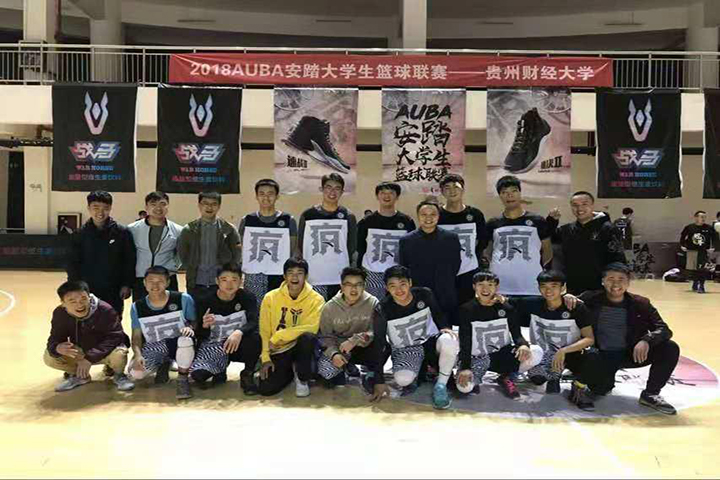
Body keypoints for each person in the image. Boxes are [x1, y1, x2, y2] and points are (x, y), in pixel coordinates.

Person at [578, 262, 680, 415]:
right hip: (600, 356)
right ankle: (585, 383)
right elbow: (564, 309)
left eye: (621, 279)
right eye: (611, 279)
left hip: (630, 354)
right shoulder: (589, 299)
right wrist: (568, 298)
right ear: (603, 281)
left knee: (670, 348)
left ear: (628, 282)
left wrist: (647, 339)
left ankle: (650, 394)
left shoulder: (640, 303)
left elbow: (664, 329)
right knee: (601, 390)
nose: (616, 284)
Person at [370, 266, 459, 410]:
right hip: (406, 349)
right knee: (402, 380)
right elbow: (379, 343)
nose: (399, 290)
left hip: (429, 341)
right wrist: (378, 380)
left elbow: (438, 314)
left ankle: (441, 385)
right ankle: (422, 370)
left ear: (410, 283)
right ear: (386, 288)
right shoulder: (382, 309)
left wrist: (445, 327)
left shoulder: (424, 294)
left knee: (449, 339)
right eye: (393, 286)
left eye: (403, 284)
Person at [512, 270, 602, 411]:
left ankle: (578, 387)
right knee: (537, 379)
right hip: (545, 353)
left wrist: (564, 351)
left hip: (571, 352)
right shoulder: (532, 303)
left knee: (593, 356)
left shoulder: (576, 307)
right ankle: (553, 375)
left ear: (563, 287)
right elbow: (505, 302)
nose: (548, 291)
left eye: (554, 286)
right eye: (544, 286)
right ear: (538, 288)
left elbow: (589, 338)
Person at [456, 271, 543, 399]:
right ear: (474, 286)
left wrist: (523, 345)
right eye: (481, 284)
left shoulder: (506, 308)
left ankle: (507, 376)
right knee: (464, 388)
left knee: (536, 352)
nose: (485, 289)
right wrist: (465, 367)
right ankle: (473, 376)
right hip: (478, 358)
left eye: (490, 285)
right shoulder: (467, 309)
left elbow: (517, 335)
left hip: (502, 355)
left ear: (496, 287)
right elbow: (465, 341)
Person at [44, 280, 134, 392]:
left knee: (120, 353)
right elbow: (55, 337)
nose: (79, 304)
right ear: (63, 303)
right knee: (50, 357)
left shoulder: (105, 309)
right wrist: (57, 347)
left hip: (105, 351)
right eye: (72, 301)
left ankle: (119, 375)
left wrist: (89, 358)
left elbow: (115, 337)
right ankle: (79, 376)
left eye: (83, 299)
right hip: (81, 351)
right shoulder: (60, 313)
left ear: (89, 297)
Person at [257, 257, 325, 397]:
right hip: (279, 349)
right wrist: (265, 358)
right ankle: (289, 371)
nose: (295, 277)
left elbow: (312, 327)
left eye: (299, 273)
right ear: (284, 276)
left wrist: (279, 336)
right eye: (290, 273)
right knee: (266, 389)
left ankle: (302, 379)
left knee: (307, 337)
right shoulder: (270, 297)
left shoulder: (317, 299)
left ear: (306, 276)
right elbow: (264, 330)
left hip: (301, 347)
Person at [190, 263, 261, 395]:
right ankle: (220, 369)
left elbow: (253, 322)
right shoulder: (204, 300)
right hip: (214, 345)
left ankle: (247, 374)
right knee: (198, 376)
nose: (229, 284)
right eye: (224, 280)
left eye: (234, 280)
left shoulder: (247, 297)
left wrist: (239, 332)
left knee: (255, 338)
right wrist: (204, 326)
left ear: (241, 281)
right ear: (217, 281)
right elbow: (199, 334)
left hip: (237, 344)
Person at [128, 266, 197, 400]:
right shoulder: (137, 306)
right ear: (144, 283)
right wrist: (137, 355)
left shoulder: (183, 299)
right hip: (155, 345)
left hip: (178, 343)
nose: (155, 285)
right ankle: (164, 363)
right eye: (151, 281)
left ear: (168, 282)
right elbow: (136, 336)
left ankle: (182, 378)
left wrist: (190, 328)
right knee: (136, 373)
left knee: (186, 340)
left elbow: (194, 322)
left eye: (160, 281)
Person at [67, 190, 136, 317]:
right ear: (88, 208)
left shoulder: (122, 232)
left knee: (113, 321)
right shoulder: (79, 234)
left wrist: (127, 284)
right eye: (96, 207)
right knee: (86, 321)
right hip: (87, 289)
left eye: (105, 208)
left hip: (114, 289)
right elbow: (72, 263)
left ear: (110, 208)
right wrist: (75, 287)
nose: (100, 212)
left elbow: (129, 260)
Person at [486, 176, 553, 298]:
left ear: (520, 193)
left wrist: (543, 271)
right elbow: (488, 251)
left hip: (531, 285)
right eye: (504, 192)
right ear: (500, 196)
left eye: (514, 191)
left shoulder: (538, 221)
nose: (510, 195)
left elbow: (547, 251)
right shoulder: (493, 223)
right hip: (500, 286)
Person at [398, 199, 461, 324]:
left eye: (433, 214)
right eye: (424, 214)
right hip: (418, 292)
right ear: (418, 216)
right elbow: (404, 267)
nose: (428, 218)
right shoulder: (407, 240)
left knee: (446, 328)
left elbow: (456, 265)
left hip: (445, 291)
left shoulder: (451, 238)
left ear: (438, 216)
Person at [317, 267, 380, 390]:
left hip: (364, 345)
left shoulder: (373, 303)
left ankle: (371, 374)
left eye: (358, 284)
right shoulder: (330, 307)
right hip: (341, 347)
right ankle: (344, 367)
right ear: (341, 286)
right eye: (348, 284)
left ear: (364, 286)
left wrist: (355, 339)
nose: (353, 289)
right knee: (326, 372)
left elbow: (377, 331)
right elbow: (325, 336)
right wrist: (334, 354)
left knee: (383, 347)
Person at [298, 173, 357, 300]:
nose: (332, 192)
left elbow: (352, 247)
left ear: (342, 192)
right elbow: (300, 246)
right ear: (321, 189)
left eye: (337, 188)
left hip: (340, 277)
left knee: (338, 311)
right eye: (328, 187)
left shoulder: (348, 216)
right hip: (314, 278)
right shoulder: (308, 215)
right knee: (316, 311)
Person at [553, 191, 626, 295]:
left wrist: (615, 285)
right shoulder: (566, 230)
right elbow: (547, 238)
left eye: (584, 204)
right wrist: (552, 221)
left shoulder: (608, 229)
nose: (579, 208)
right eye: (575, 205)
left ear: (592, 205)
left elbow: (618, 259)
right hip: (574, 288)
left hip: (601, 289)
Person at [239, 179, 298, 305]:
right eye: (262, 194)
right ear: (256, 196)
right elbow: (243, 248)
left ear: (277, 196)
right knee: (255, 309)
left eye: (270, 194)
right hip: (254, 275)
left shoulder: (288, 220)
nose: (266, 197)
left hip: (279, 274)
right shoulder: (247, 220)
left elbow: (292, 249)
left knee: (279, 309)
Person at [356, 182, 416, 299]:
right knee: (374, 306)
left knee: (397, 305)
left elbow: (411, 249)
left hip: (398, 275)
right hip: (373, 273)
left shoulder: (407, 221)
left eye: (391, 193)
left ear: (397, 197)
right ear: (377, 196)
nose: (386, 196)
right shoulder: (366, 221)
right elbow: (360, 247)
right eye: (383, 193)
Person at [178, 192, 241, 300]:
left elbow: (236, 256)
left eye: (214, 204)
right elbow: (182, 254)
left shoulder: (229, 229)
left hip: (221, 284)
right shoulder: (188, 230)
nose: (209, 207)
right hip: (196, 282)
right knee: (196, 310)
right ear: (199, 205)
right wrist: (191, 266)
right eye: (205, 203)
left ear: (219, 206)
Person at [438, 173, 489, 306]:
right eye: (447, 188)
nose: (452, 191)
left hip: (469, 271)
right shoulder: (437, 215)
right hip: (444, 273)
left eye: (456, 187)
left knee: (468, 308)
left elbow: (482, 241)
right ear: (442, 192)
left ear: (463, 190)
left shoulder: (475, 214)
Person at [128, 191, 183, 302]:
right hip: (141, 280)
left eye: (163, 204)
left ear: (167, 206)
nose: (158, 208)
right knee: (142, 310)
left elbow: (181, 253)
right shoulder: (132, 229)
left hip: (167, 279)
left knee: (170, 310)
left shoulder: (178, 230)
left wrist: (173, 267)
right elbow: (127, 255)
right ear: (146, 207)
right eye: (153, 204)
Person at [680, 210, 718, 294]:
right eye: (701, 217)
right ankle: (695, 282)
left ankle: (701, 286)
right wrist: (682, 245)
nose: (703, 219)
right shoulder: (689, 227)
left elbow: (715, 238)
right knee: (694, 269)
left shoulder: (709, 228)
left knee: (702, 269)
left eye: (704, 217)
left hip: (703, 251)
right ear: (696, 217)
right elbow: (683, 236)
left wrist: (713, 248)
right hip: (692, 250)